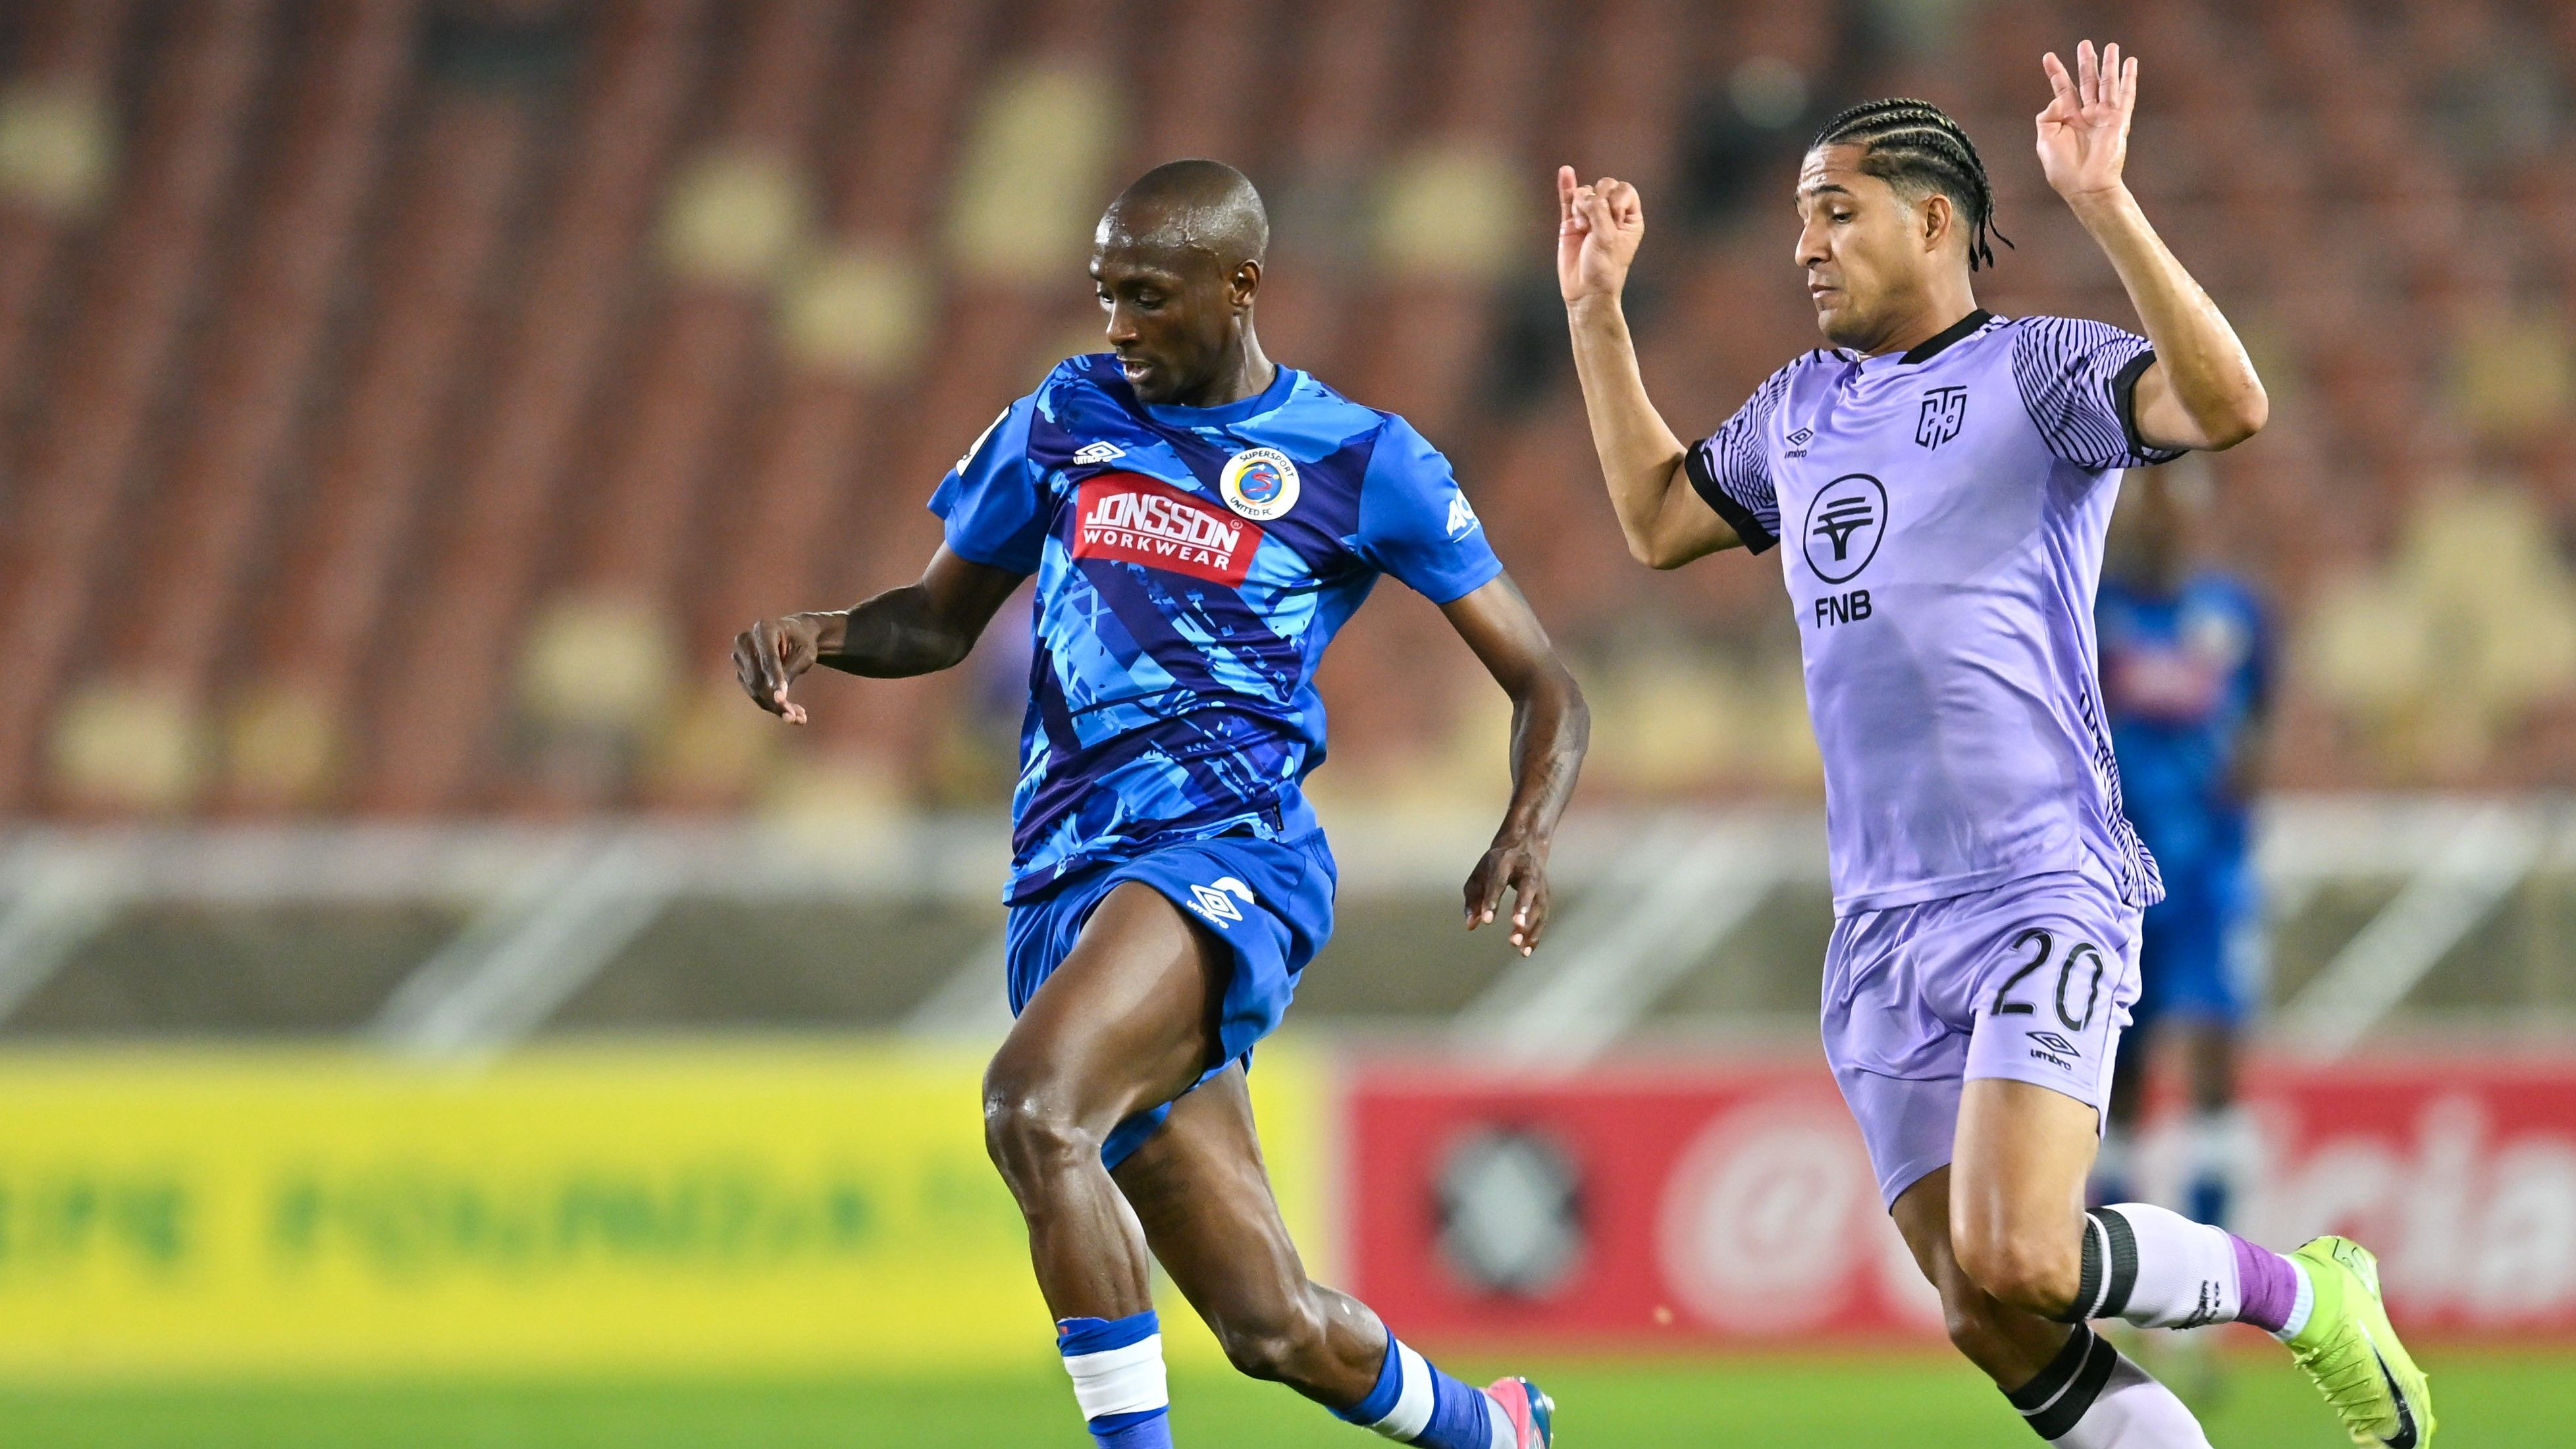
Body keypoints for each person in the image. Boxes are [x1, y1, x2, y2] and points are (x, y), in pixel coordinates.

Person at [1557, 41, 2429, 1449]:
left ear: (1931, 222)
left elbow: (2227, 406)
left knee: (2023, 1248)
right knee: (1986, 1305)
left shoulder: (2038, 372)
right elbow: (1660, 523)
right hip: (1878, 922)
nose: (1803, 247)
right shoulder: (1797, 407)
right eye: (1797, 219)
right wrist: (1597, 313)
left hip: (2037, 882)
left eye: (1833, 212)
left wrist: (2103, 202)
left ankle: (2303, 1289)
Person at [735, 159, 1581, 1449]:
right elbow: (938, 621)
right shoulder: (1066, 414)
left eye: (1146, 294)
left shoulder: (1361, 459)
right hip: (1063, 883)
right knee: (1269, 1324)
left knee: (1033, 1108)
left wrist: (1525, 825)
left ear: (1238, 285)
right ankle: (1495, 1429)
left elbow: (1545, 681)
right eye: (1104, 293)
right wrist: (825, 632)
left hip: (1224, 857)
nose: (1118, 325)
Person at [2093, 458, 2270, 1233]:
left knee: (2212, 1060)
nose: (2159, 521)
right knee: (2116, 1077)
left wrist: (2241, 788)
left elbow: (2259, 719)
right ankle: (2109, 1260)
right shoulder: (2094, 610)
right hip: (2116, 881)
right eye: (2146, 504)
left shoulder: (2235, 613)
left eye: (2174, 505)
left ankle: (2216, 1259)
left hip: (2207, 880)